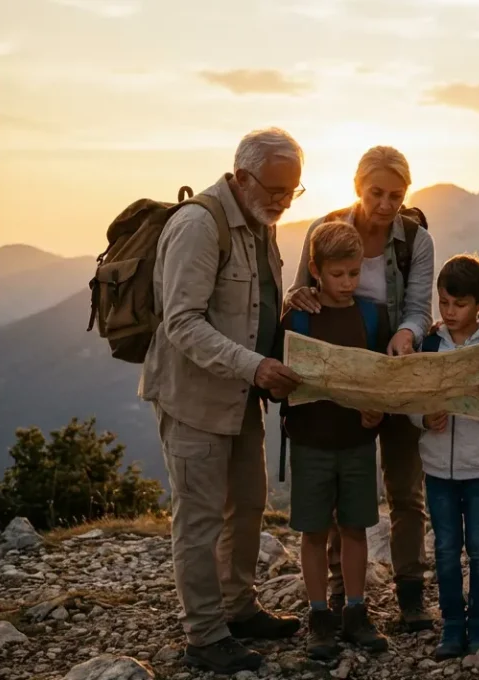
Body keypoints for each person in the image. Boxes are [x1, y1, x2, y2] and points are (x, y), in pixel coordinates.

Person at [140, 127, 306, 674]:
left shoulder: (260, 225)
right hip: (194, 400)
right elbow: (182, 323)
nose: (283, 202)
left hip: (242, 398)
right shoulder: (198, 225)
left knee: (249, 505)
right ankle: (205, 634)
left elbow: (250, 314)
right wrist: (255, 366)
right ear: (241, 176)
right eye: (276, 190)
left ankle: (238, 607)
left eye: (293, 192)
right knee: (200, 518)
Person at [284, 146, 436, 630]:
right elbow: (300, 292)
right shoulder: (325, 229)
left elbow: (418, 304)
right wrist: (297, 296)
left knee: (405, 488)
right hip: (339, 374)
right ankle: (340, 595)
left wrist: (407, 333)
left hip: (395, 366)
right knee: (339, 476)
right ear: (357, 186)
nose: (387, 204)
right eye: (377, 193)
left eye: (397, 195)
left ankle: (409, 593)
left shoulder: (415, 239)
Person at [280, 222, 391, 660]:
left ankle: (356, 611)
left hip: (358, 441)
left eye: (354, 273)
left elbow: (384, 378)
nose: (348, 283)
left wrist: (377, 411)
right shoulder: (298, 318)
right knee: (312, 530)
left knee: (355, 527)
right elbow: (278, 379)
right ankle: (319, 615)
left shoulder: (371, 316)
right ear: (315, 270)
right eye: (338, 275)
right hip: (310, 441)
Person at [410, 254, 479, 660]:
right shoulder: (429, 345)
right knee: (444, 548)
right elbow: (411, 403)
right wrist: (424, 418)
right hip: (437, 467)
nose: (449, 312)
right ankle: (451, 628)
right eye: (443, 303)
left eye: (458, 304)